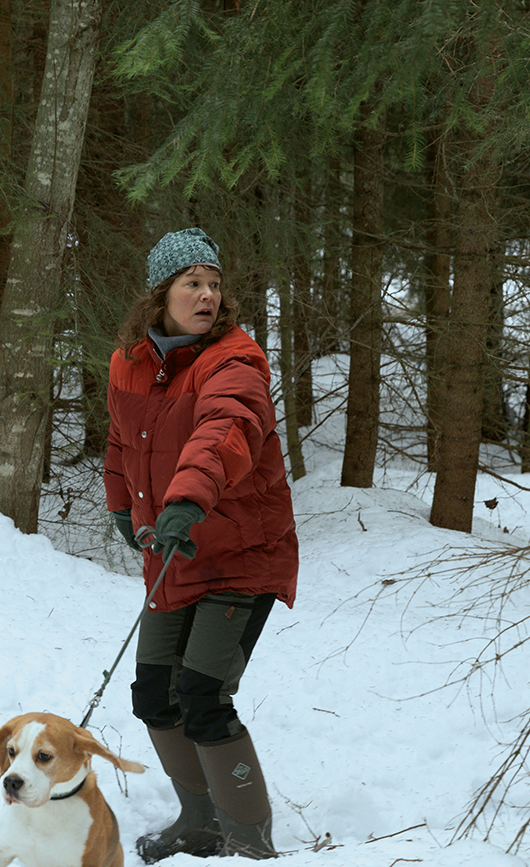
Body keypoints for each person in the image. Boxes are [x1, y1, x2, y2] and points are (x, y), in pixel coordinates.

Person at [103, 227, 298, 862]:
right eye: (193, 283)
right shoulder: (130, 360)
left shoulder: (235, 361)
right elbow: (120, 443)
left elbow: (226, 430)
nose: (208, 294)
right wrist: (122, 508)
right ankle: (201, 822)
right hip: (175, 550)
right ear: (161, 293)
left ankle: (249, 841)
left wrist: (185, 499)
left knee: (204, 696)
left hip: (242, 553)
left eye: (215, 284)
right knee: (154, 695)